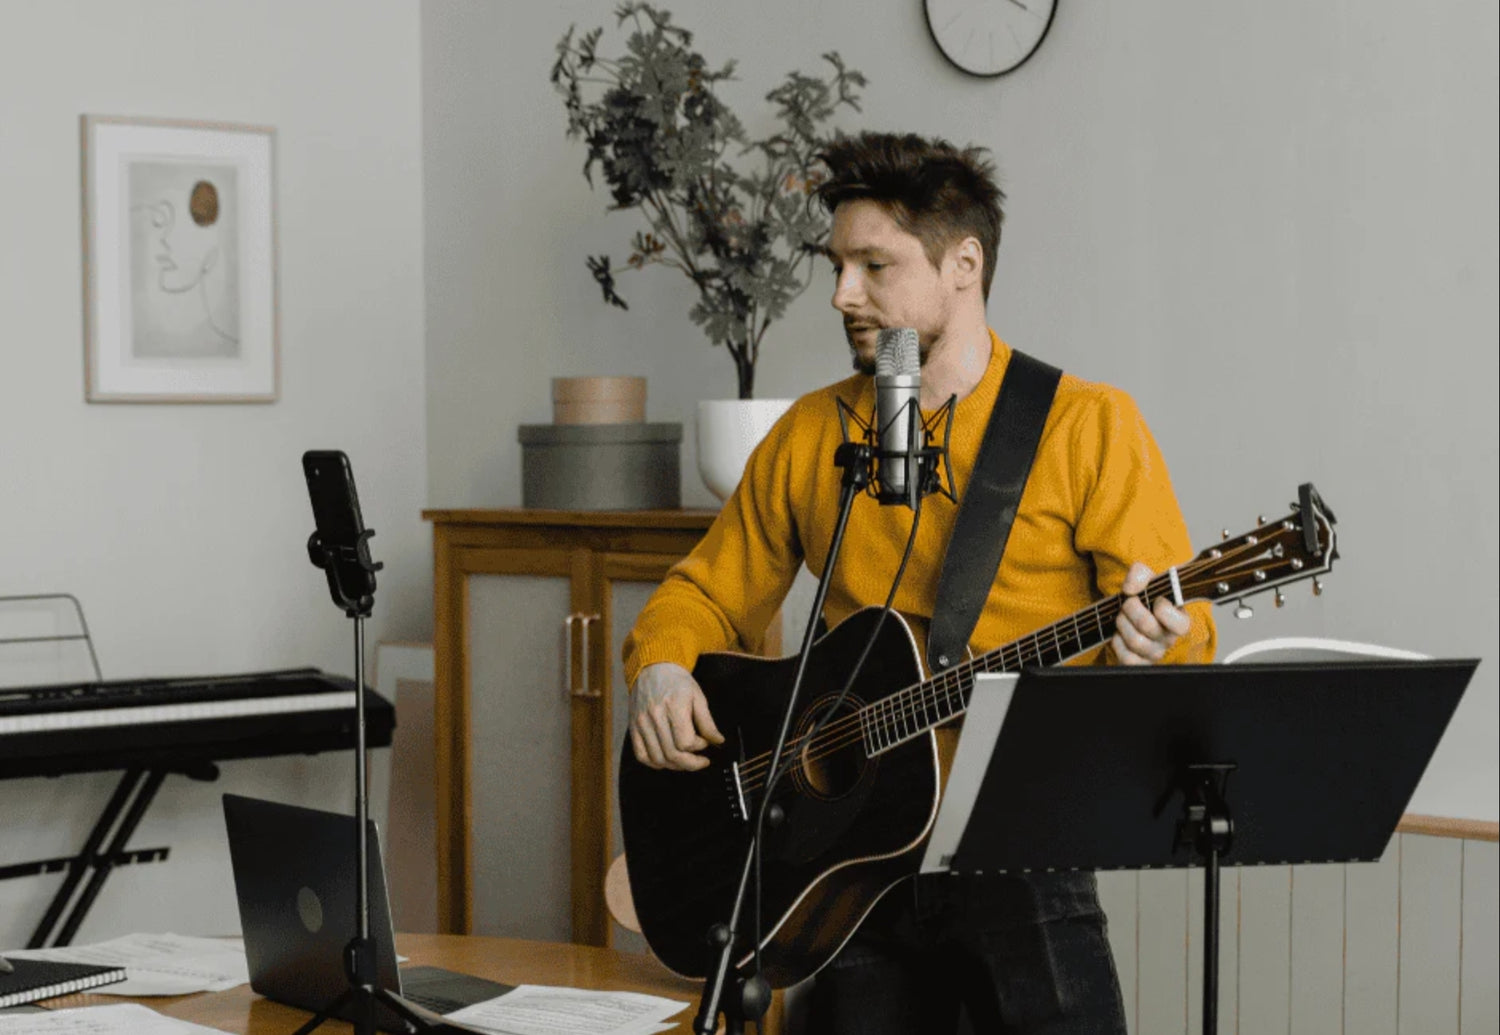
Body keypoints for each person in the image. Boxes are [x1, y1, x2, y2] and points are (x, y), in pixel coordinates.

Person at [622, 131, 1216, 1035]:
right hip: (841, 865)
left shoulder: (1087, 427)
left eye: (873, 266)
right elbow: (706, 590)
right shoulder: (813, 434)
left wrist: (1164, 637)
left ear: (962, 265)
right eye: (838, 265)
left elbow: (1184, 632)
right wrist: (660, 665)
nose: (841, 294)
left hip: (1020, 847)